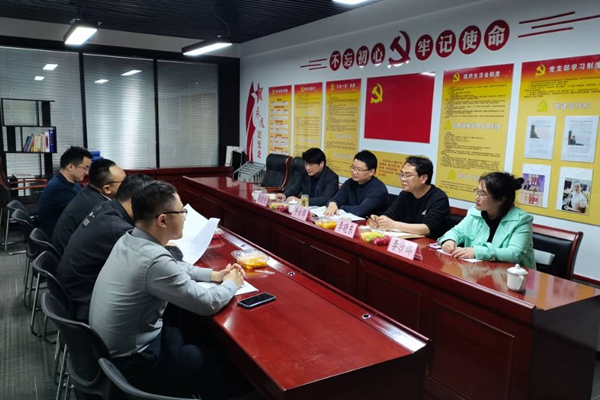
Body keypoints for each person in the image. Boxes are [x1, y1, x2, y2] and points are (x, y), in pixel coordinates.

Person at [89, 181, 249, 398]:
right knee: (227, 364)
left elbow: (174, 266)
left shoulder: (130, 239)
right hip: (135, 363)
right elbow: (207, 303)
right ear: (163, 220)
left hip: (115, 349)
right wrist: (232, 283)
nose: (185, 217)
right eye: (182, 211)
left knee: (189, 333)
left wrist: (214, 275)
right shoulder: (154, 260)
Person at [56, 174, 153, 322]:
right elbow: (150, 261)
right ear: (137, 202)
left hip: (71, 292)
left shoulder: (105, 207)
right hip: (84, 302)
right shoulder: (117, 228)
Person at [438, 172, 536, 269]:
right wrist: (449, 240)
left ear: (500, 200)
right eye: (477, 191)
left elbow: (514, 253)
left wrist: (477, 252)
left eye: (483, 194)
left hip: (511, 274)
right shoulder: (474, 212)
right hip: (476, 270)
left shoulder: (521, 220)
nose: (477, 197)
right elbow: (457, 232)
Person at [51, 158, 126, 255]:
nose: (127, 184)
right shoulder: (98, 207)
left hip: (66, 252)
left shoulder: (89, 192)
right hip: (67, 256)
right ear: (107, 188)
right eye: (123, 181)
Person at [367, 156, 450, 238]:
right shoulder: (405, 194)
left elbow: (427, 228)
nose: (403, 179)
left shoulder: (439, 198)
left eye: (408, 175)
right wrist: (379, 220)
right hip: (407, 241)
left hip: (429, 243)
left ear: (423, 178)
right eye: (402, 174)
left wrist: (394, 225)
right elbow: (390, 214)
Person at [37, 146, 92, 237]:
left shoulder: (69, 182)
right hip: (60, 239)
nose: (87, 173)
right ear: (71, 167)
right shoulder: (58, 189)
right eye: (85, 168)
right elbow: (84, 213)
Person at [324, 150, 388, 217]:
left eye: (359, 170)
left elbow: (360, 211)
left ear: (371, 171)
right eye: (353, 167)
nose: (354, 172)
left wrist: (341, 207)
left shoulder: (378, 189)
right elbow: (337, 198)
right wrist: (333, 203)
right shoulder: (350, 182)